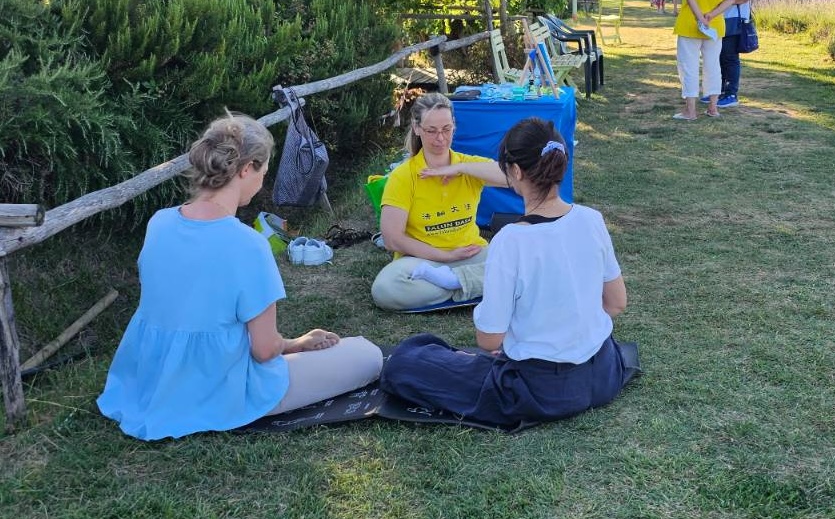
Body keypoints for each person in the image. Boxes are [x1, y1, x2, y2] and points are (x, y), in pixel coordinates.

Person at [97, 112, 383, 440]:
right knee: (368, 355)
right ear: (247, 169)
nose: (261, 181)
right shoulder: (248, 244)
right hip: (219, 387)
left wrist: (295, 344)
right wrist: (295, 345)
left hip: (148, 382)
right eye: (263, 171)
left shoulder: (159, 222)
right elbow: (264, 351)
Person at [380, 117, 632, 428]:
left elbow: (489, 341)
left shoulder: (511, 240)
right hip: (605, 372)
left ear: (515, 172)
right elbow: (616, 303)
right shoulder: (591, 219)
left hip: (539, 390)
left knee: (407, 361)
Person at [370, 92, 508, 312]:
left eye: (446, 129)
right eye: (431, 131)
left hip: (471, 254)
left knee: (525, 263)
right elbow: (392, 239)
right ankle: (476, 284)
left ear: (454, 126)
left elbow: (513, 178)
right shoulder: (403, 176)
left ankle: (454, 282)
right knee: (385, 289)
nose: (440, 138)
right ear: (417, 128)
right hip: (423, 261)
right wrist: (445, 256)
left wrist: (461, 168)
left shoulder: (468, 165)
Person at [672, 0, 735, 120]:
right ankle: (713, 108)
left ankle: (690, 111)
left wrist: (699, 17)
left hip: (690, 24)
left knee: (688, 66)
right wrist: (710, 15)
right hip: (714, 26)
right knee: (713, 66)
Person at [702, 0, 755, 109]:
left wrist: (726, 2)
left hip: (733, 20)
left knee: (729, 57)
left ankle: (731, 94)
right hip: (719, 19)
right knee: (717, 57)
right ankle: (717, 92)